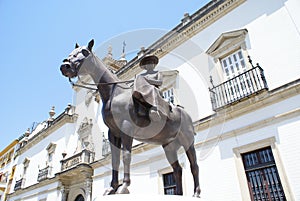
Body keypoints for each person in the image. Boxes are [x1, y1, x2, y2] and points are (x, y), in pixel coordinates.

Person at [132, 55, 170, 121]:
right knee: (138, 78)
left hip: (155, 90)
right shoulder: (142, 76)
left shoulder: (158, 73)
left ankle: (154, 109)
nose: (150, 64)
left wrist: (149, 81)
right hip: (144, 90)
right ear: (145, 66)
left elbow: (160, 82)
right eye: (148, 63)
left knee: (152, 88)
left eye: (151, 62)